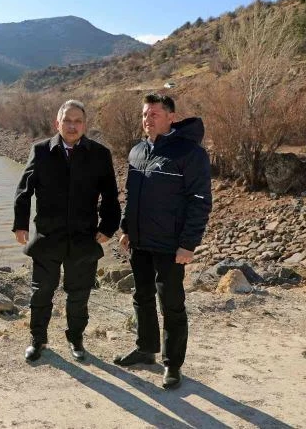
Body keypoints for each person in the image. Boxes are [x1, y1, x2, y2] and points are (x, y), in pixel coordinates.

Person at [114, 93, 212, 389]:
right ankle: (146, 349)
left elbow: (200, 201)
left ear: (171, 117)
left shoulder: (189, 153)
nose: (148, 119)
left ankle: (173, 364)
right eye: (145, 114)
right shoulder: (137, 151)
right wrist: (126, 228)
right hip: (140, 242)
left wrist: (188, 244)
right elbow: (132, 196)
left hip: (171, 245)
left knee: (171, 303)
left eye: (154, 114)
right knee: (141, 297)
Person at [13, 100, 121, 362]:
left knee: (79, 294)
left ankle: (76, 339)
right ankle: (37, 340)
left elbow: (110, 196)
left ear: (85, 125)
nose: (72, 126)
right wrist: (21, 224)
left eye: (78, 121)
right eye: (67, 121)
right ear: (57, 123)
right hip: (48, 237)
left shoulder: (99, 154)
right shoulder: (40, 151)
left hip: (83, 237)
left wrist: (108, 227)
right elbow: (24, 190)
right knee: (41, 292)